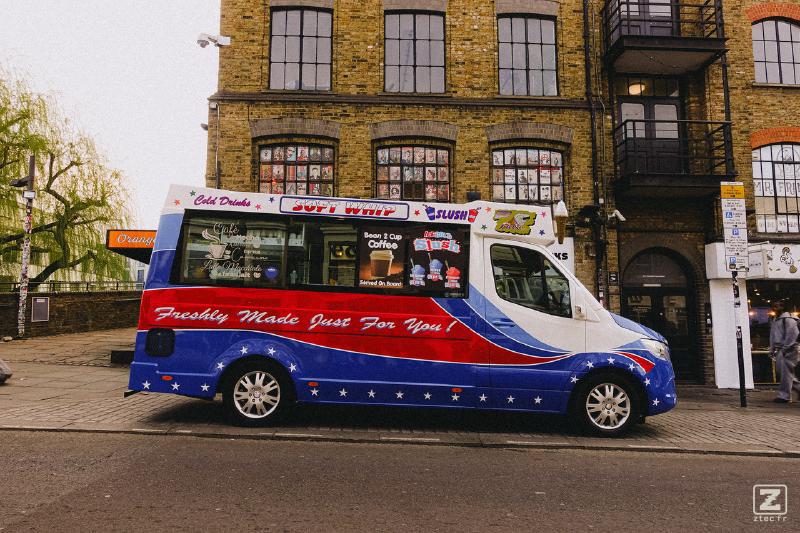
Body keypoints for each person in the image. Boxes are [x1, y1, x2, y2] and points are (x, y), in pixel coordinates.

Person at [769, 301, 800, 403]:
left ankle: (784, 396)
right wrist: (772, 349)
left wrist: (786, 348)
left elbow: (792, 335)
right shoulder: (776, 320)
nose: (775, 308)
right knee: (785, 373)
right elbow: (773, 336)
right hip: (782, 349)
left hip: (788, 349)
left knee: (786, 373)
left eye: (778, 306)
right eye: (774, 306)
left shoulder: (788, 319)